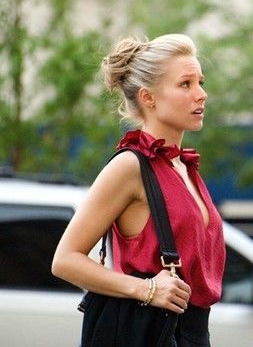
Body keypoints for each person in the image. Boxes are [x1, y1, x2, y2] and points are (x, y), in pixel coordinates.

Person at [52, 34, 226, 345]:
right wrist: (146, 289)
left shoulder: (183, 166)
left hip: (193, 331)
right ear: (148, 97)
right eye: (185, 84)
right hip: (148, 331)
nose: (201, 94)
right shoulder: (131, 166)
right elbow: (65, 259)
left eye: (200, 82)